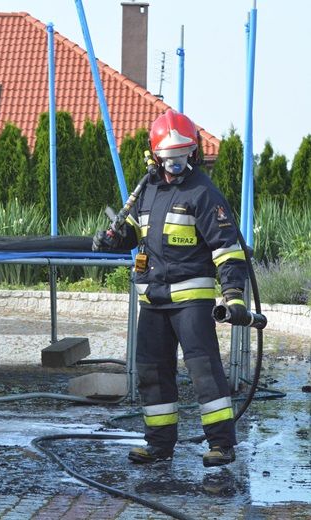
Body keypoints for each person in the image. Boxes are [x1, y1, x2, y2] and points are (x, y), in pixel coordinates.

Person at [93, 109, 247, 467]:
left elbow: (227, 249)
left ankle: (221, 444)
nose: (175, 167)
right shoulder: (148, 189)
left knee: (204, 373)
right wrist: (113, 239)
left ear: (192, 154)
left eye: (182, 160)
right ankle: (159, 444)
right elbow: (133, 229)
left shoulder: (203, 193)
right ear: (155, 156)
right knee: (151, 372)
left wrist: (234, 295)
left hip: (191, 299)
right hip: (153, 299)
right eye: (169, 160)